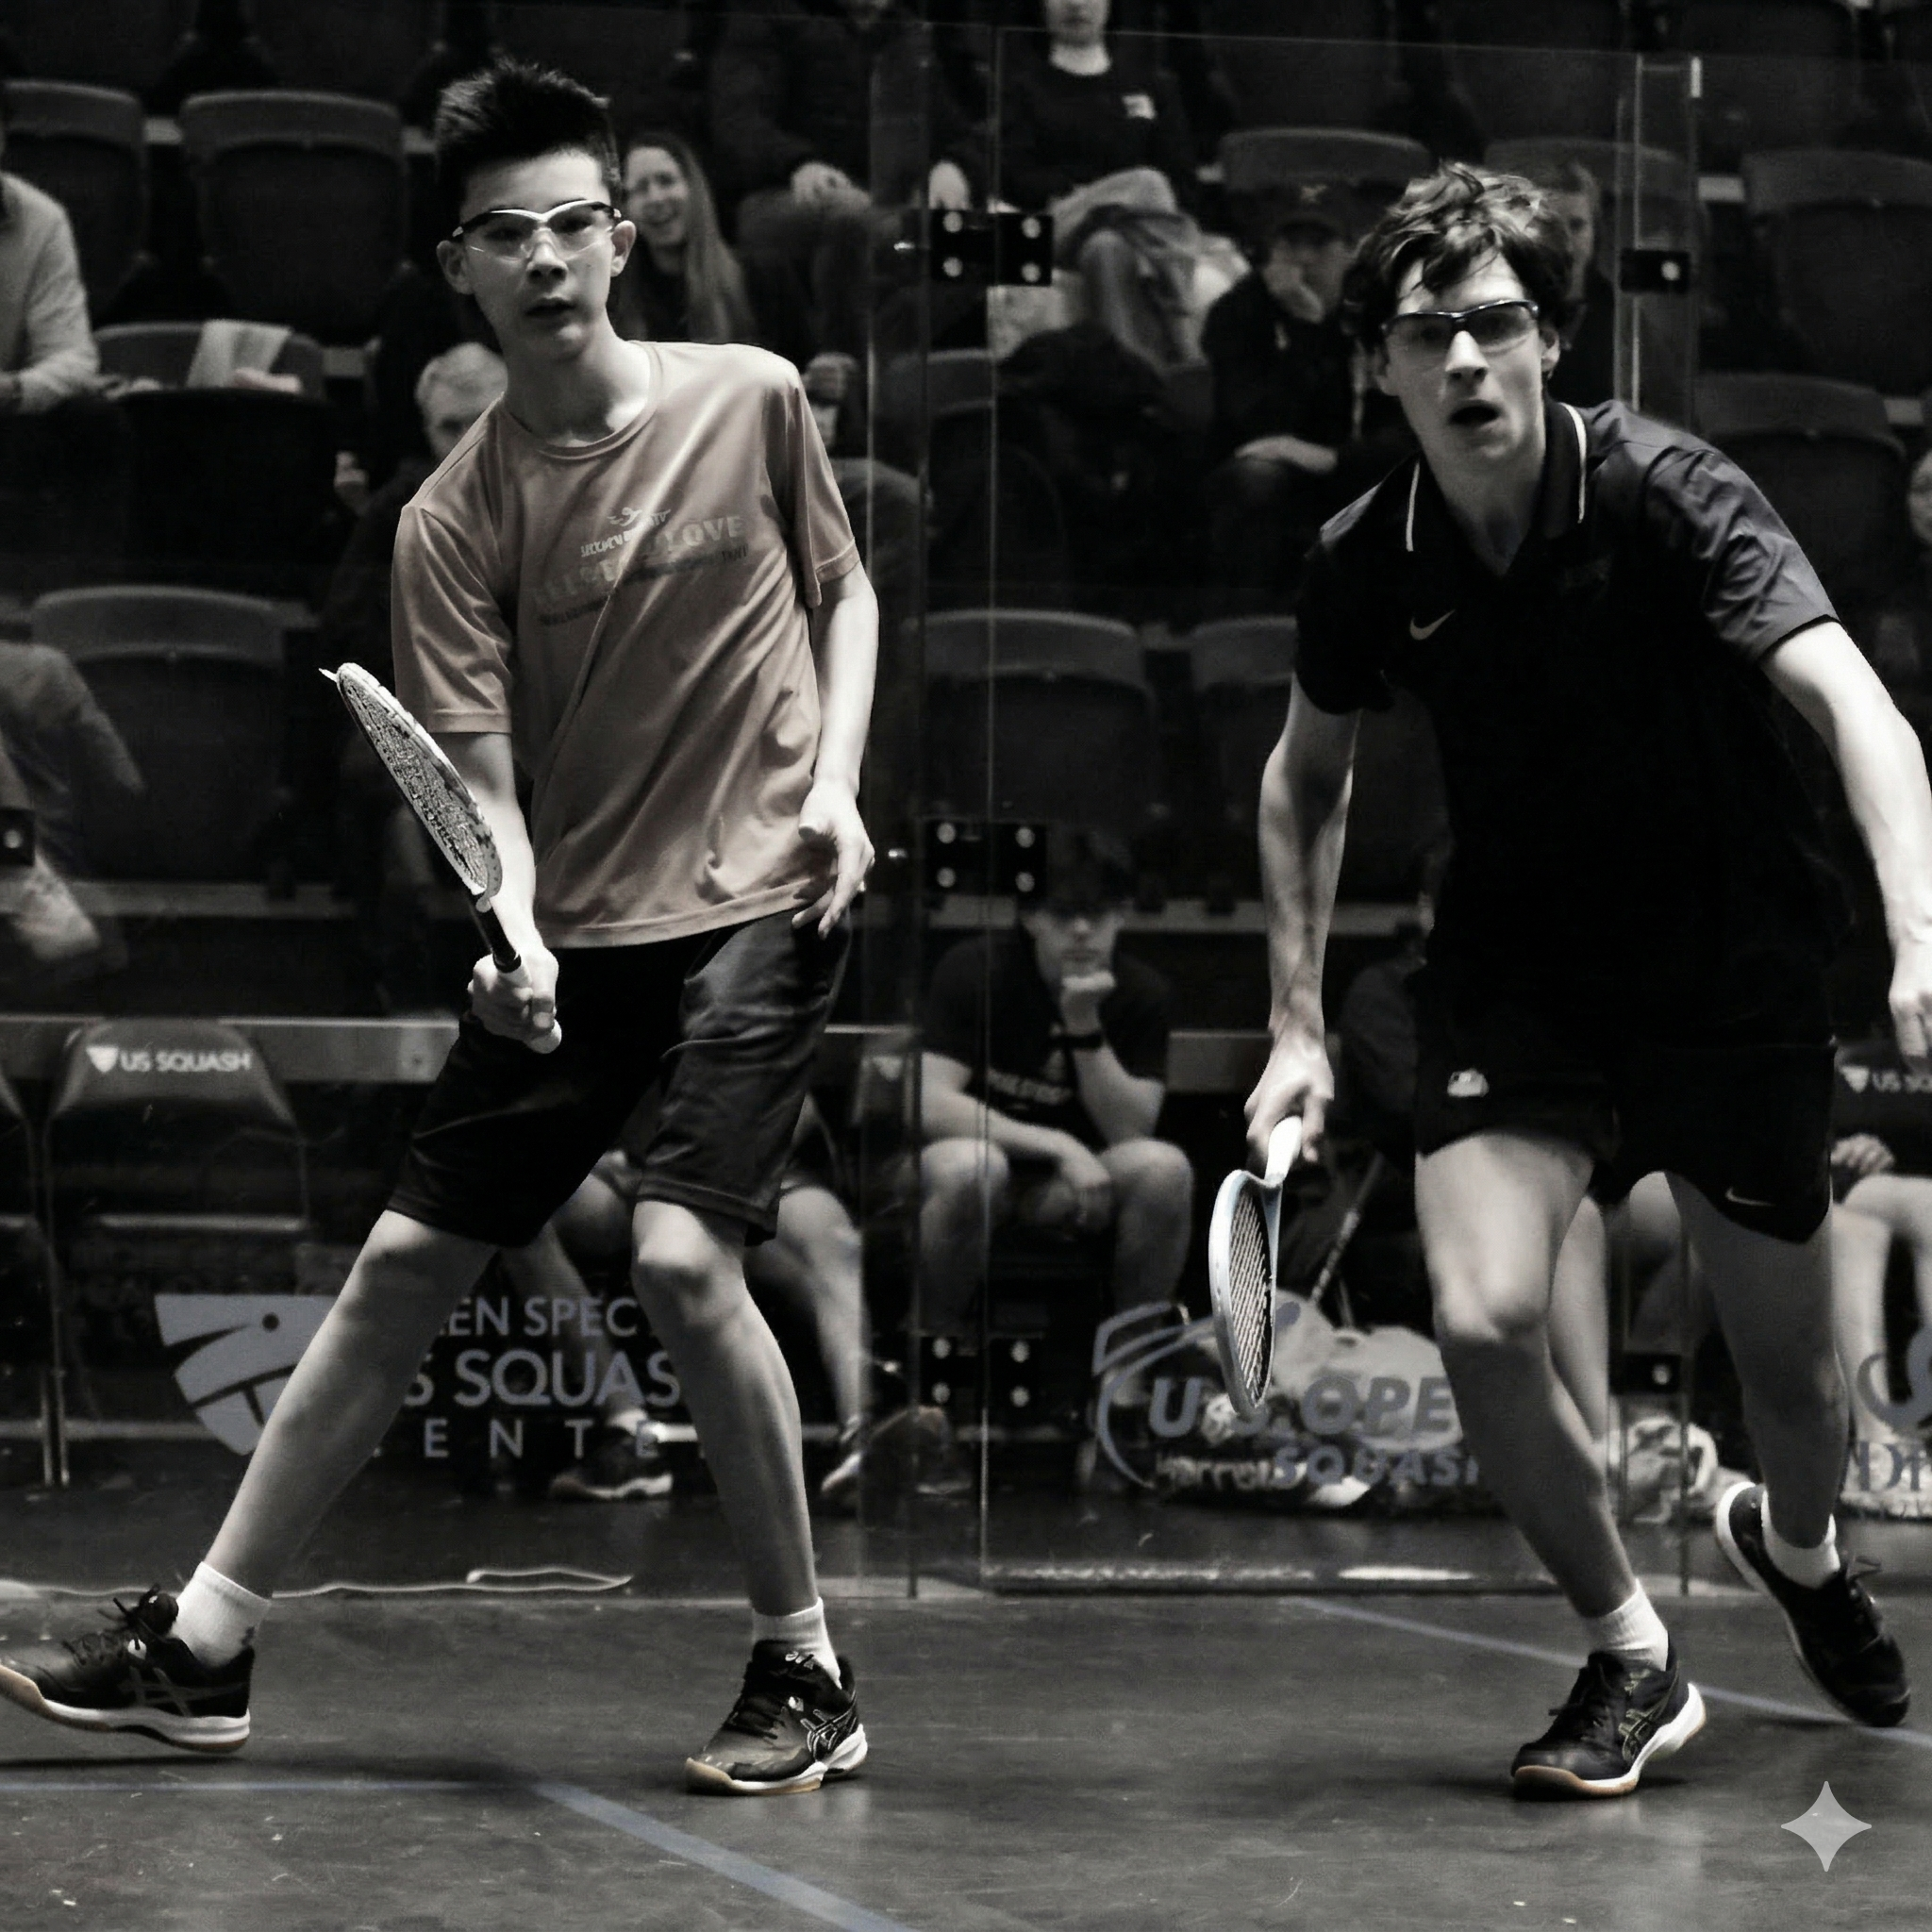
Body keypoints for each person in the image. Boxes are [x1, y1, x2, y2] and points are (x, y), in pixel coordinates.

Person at [0, 58, 880, 1800]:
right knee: (406, 1263)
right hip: (590, 921)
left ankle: (806, 1664)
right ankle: (205, 1645)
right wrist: (519, 939)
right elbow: (483, 795)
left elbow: (842, 592)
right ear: (460, 264)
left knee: (683, 1260)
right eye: (504, 233)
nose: (543, 257)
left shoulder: (754, 395)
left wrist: (838, 790)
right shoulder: (451, 519)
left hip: (764, 894)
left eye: (571, 222)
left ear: (619, 236)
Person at [1246, 163, 1920, 1799]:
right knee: (1481, 1314)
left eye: (1495, 324)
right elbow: (1303, 778)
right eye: (1428, 335)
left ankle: (1799, 1548)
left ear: (1550, 339)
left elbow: (1858, 709)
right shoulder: (1367, 554)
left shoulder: (1670, 494)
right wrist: (1291, 1024)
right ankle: (1630, 1651)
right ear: (1381, 365)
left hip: (1730, 960)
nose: (1465, 360)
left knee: (1792, 1384)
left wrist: (1920, 935)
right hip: (1523, 968)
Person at [508, 1090, 875, 1510]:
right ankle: (629, 1433)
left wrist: (719, 1169)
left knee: (831, 1238)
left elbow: (799, 1107)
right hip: (638, 1170)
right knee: (515, 1206)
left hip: (754, 1169)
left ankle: (862, 1439)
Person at [917, 827, 1194, 1365]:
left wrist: (1083, 1024)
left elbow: (1130, 1132)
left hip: (1072, 1188)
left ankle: (1126, 1370)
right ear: (1031, 917)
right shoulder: (977, 970)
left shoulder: (1141, 993)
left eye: (1099, 914)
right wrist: (1057, 1145)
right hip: (969, 1168)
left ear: (1122, 916)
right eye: (1064, 914)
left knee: (1165, 1170)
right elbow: (931, 1104)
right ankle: (938, 1350)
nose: (1083, 931)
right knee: (975, 1167)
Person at [318, 343, 508, 1012]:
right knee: (386, 785)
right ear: (426, 430)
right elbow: (347, 629)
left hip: (537, 720)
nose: (464, 439)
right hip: (421, 714)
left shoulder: (566, 494)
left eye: (480, 420)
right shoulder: (397, 510)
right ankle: (407, 982)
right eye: (448, 426)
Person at [708, 0, 979, 357]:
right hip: (777, 195)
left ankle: (880, 363)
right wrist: (797, 162)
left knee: (998, 243)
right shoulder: (773, 14)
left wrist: (954, 164)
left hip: (886, 208)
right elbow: (737, 120)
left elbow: (954, 128)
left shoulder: (907, 34)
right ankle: (845, 363)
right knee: (853, 217)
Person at [1199, 184, 1407, 614]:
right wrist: (1306, 332)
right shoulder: (1238, 313)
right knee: (1255, 480)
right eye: (1291, 244)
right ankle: (1247, 624)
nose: (1304, 259)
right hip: (1274, 473)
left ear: (1352, 252)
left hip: (1359, 467)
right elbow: (1254, 425)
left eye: (1320, 244)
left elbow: (1414, 431)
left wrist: (1335, 459)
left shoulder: (1386, 317)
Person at [0, 92, 130, 594]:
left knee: (94, 421)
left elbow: (74, 356)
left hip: (6, 411)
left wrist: (15, 390)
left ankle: (81, 604)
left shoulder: (41, 220)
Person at [609, 127, 816, 373]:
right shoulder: (616, 300)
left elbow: (802, 370)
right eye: (641, 188)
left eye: (666, 181)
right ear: (627, 208)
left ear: (695, 188)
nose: (655, 198)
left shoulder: (765, 278)